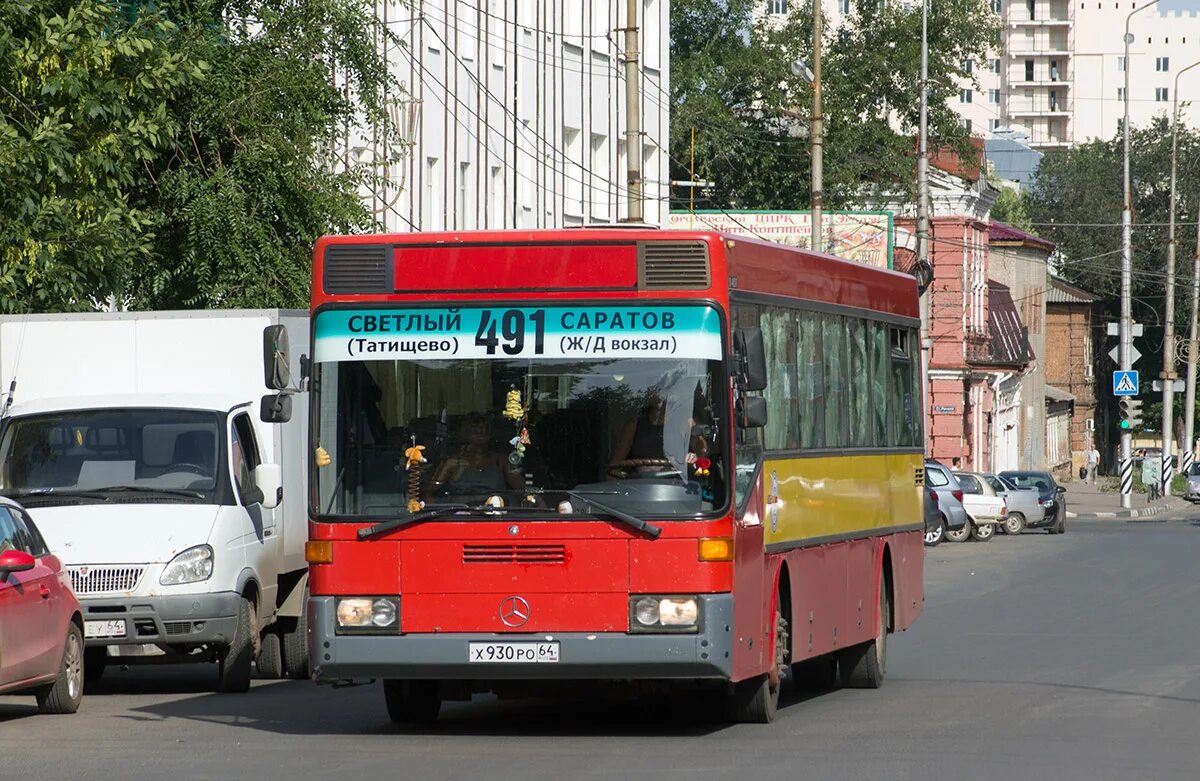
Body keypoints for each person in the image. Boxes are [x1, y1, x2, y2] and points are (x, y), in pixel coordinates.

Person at [427, 412, 521, 496]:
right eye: (475, 429)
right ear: (465, 433)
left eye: (484, 430)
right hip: (459, 513)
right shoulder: (453, 462)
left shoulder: (501, 461)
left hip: (496, 512)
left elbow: (521, 489)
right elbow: (427, 493)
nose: (480, 433)